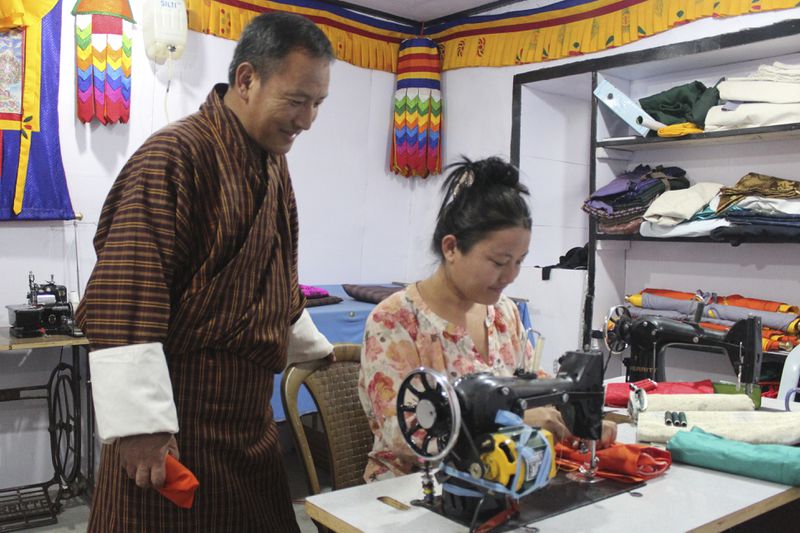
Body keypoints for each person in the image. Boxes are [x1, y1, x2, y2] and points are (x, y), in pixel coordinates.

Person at [76, 13, 335, 532]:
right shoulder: (174, 156)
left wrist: (318, 352)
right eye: (296, 100)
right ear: (246, 79)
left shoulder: (271, 164)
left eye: (317, 104)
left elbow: (278, 277)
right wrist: (141, 428)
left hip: (248, 426)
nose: (307, 120)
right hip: (176, 422)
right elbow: (129, 291)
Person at [358, 156, 616, 482]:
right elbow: (402, 435)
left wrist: (577, 420)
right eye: (498, 262)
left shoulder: (504, 314)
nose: (510, 275)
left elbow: (535, 388)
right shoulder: (395, 321)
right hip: (411, 491)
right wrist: (515, 420)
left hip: (501, 478)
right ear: (451, 248)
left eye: (519, 262)